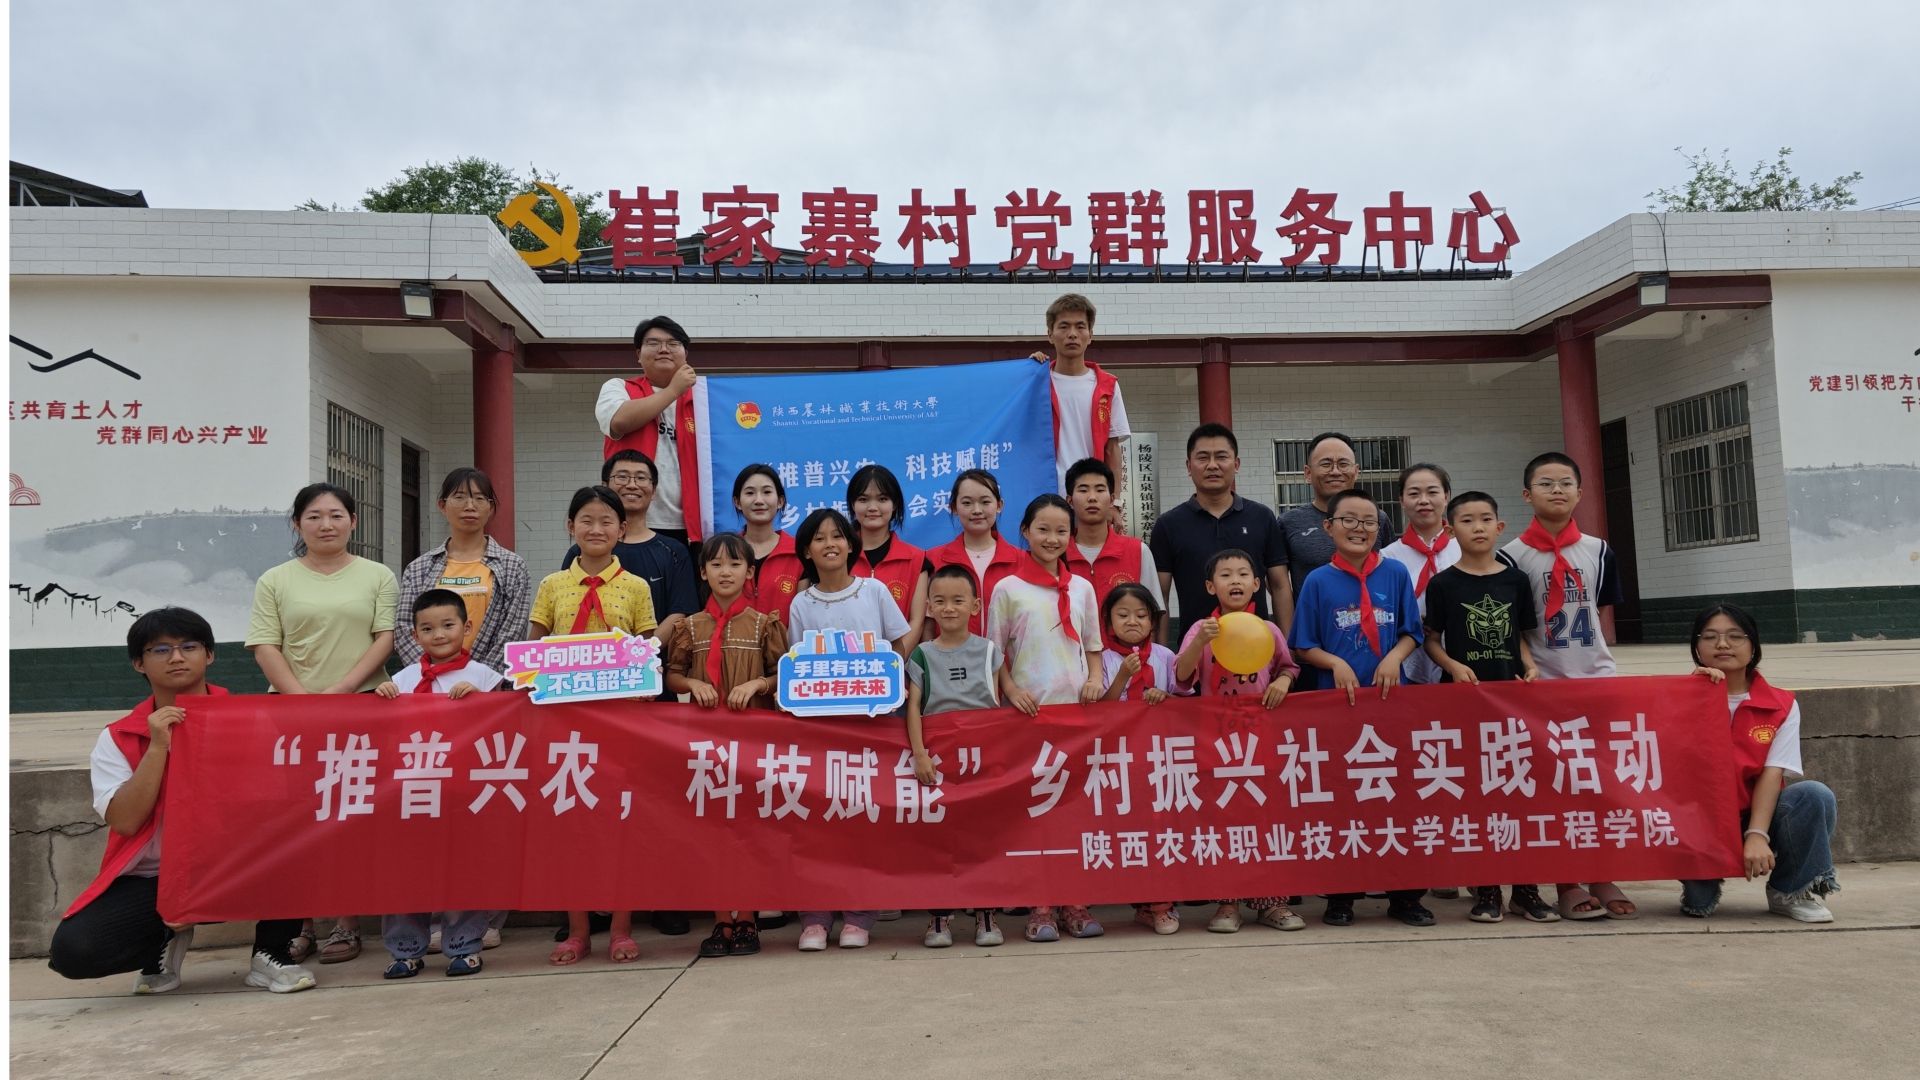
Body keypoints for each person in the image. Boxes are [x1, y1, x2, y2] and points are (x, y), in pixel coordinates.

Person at [47, 608, 318, 995]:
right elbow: (125, 821)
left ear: (209, 655)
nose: (176, 657)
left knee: (301, 838)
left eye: (188, 647)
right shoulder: (119, 737)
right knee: (75, 952)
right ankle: (165, 938)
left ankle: (271, 953)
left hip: (234, 864)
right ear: (139, 663)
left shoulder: (250, 719)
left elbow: (278, 808)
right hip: (155, 877)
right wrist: (158, 747)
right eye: (160, 650)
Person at [246, 481, 397, 964]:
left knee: (349, 819)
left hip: (363, 710)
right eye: (313, 516)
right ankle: (300, 925)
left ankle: (346, 924)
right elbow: (265, 644)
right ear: (297, 524)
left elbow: (385, 638)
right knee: (299, 820)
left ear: (353, 521)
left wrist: (343, 691)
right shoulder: (275, 580)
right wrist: (301, 699)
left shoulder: (377, 575)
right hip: (294, 716)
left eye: (335, 515)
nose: (325, 525)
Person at [1500, 451, 1634, 922]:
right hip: (1543, 686)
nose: (1556, 490)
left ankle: (1602, 873)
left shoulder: (1599, 550)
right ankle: (1567, 881)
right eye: (1545, 483)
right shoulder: (1510, 556)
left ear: (1580, 493)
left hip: (1596, 682)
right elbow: (1514, 625)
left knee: (1600, 785)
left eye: (1565, 483)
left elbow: (1598, 610)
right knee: (1555, 789)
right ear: (1527, 494)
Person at [1288, 488, 1431, 928]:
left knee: (1397, 799)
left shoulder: (1394, 574)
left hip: (1389, 706)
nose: (1359, 529)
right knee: (1343, 802)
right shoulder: (1317, 581)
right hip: (1339, 709)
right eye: (1348, 520)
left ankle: (1405, 896)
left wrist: (1394, 657)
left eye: (1368, 521)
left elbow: (1412, 632)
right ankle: (1341, 895)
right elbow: (1303, 644)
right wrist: (1334, 663)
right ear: (1328, 527)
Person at [534, 486, 659, 966]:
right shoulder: (552, 585)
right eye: (586, 520)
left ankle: (621, 930)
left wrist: (645, 681)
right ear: (570, 527)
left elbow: (649, 650)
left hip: (622, 724)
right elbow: (534, 650)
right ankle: (579, 931)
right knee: (572, 828)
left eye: (607, 521)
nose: (596, 529)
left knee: (621, 825)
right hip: (566, 726)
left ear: (622, 529)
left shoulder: (636, 587)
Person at [1419, 492, 1557, 924]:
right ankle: (1487, 889)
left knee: (1519, 795)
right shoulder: (1443, 584)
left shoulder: (1515, 580)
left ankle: (1526, 891)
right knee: (1478, 798)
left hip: (1511, 704)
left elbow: (1520, 637)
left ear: (1499, 527)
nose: (1477, 527)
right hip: (1463, 705)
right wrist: (1453, 666)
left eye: (1485, 519)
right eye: (1466, 520)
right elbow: (1431, 640)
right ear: (1450, 530)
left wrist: (1529, 666)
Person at [785, 508, 911, 950]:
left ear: (851, 544)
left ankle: (860, 915)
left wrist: (885, 689)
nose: (830, 544)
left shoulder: (874, 590)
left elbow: (899, 648)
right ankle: (815, 918)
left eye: (837, 536)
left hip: (873, 727)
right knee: (819, 822)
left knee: (865, 819)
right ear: (806, 551)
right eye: (819, 538)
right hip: (822, 731)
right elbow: (798, 666)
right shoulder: (801, 604)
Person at [665, 533, 791, 959]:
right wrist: (692, 683)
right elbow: (671, 675)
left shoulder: (764, 624)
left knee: (750, 831)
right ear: (703, 572)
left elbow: (783, 673)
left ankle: (749, 919)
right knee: (712, 832)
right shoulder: (689, 627)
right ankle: (722, 918)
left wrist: (757, 684)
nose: (725, 572)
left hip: (753, 746)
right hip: (705, 747)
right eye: (716, 564)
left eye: (735, 564)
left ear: (750, 572)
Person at [988, 494, 1104, 943]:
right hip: (1028, 715)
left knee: (1073, 813)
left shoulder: (1082, 589)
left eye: (1061, 531)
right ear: (1024, 531)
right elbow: (995, 652)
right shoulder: (1008, 588)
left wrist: (1093, 679)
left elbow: (1092, 645)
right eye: (1043, 529)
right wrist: (1012, 690)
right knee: (1035, 814)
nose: (1052, 538)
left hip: (1075, 715)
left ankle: (1075, 902)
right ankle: (1039, 906)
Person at [1172, 549, 1306, 934]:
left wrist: (1283, 681)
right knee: (1223, 822)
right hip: (1216, 743)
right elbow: (1181, 678)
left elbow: (1288, 666)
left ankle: (1272, 903)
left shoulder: (1268, 630)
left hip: (1259, 741)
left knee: (1265, 821)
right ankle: (1227, 902)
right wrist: (1200, 643)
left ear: (1256, 584)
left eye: (1243, 574)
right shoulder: (1201, 630)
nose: (1235, 580)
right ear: (1210, 586)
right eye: (1226, 575)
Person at [373, 589, 505, 977]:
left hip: (463, 792)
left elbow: (502, 727)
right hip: (413, 793)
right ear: (415, 635)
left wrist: (482, 700)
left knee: (463, 870)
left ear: (467, 627)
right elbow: (386, 733)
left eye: (448, 625)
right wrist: (382, 699)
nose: (439, 635)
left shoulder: (484, 676)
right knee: (406, 871)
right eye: (428, 629)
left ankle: (464, 945)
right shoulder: (402, 679)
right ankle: (405, 949)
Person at [1684, 603, 1839, 923]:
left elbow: (1772, 773)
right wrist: (1690, 695)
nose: (1722, 644)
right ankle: (1701, 881)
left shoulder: (1781, 704)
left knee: (1814, 796)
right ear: (1697, 647)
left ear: (1753, 645)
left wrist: (1756, 834)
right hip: (1699, 821)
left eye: (1734, 636)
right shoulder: (1676, 698)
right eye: (1710, 637)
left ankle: (1789, 890)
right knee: (1699, 904)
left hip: (1755, 814)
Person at [904, 564, 1006, 949]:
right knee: (940, 840)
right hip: (940, 762)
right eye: (940, 601)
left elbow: (1005, 697)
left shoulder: (989, 651)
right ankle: (939, 916)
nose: (949, 608)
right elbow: (914, 707)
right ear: (928, 607)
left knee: (983, 839)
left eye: (958, 601)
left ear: (975, 606)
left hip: (983, 761)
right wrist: (920, 754)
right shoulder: (922, 654)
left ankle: (986, 913)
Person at [1095, 582, 1184, 936]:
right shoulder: (1101, 659)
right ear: (1108, 621)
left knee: (1159, 829)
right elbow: (1099, 710)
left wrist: (1164, 697)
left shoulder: (1165, 656)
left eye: (1141, 615)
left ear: (1153, 621)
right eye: (1123, 615)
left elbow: (1186, 704)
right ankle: (1137, 902)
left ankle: (1161, 904)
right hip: (1117, 762)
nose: (1132, 621)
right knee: (1125, 832)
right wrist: (1122, 677)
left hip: (1159, 760)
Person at [1149, 424, 1291, 644]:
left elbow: (1280, 586)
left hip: (1257, 648)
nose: (1212, 465)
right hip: (1196, 652)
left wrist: (1288, 646)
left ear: (1236, 464)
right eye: (1203, 457)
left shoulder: (1262, 517)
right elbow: (1160, 597)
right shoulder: (1169, 524)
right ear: (1189, 466)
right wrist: (1160, 654)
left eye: (1221, 457)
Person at [398, 467, 532, 679]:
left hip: (488, 686)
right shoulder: (419, 568)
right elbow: (405, 628)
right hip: (431, 683)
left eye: (479, 498)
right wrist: (436, 675)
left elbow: (513, 632)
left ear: (490, 507)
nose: (470, 506)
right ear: (442, 505)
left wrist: (479, 679)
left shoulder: (512, 566)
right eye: (459, 497)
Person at [561, 450, 697, 653]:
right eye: (622, 477)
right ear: (605, 485)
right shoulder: (581, 550)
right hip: (588, 663)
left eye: (641, 478)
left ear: (654, 490)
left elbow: (681, 612)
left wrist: (639, 654)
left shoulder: (674, 551)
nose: (632, 485)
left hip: (651, 665)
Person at [595, 315, 702, 545]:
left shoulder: (703, 399)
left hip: (692, 526)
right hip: (628, 522)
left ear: (685, 353)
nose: (664, 349)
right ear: (638, 354)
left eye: (673, 343)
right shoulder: (619, 387)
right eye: (653, 343)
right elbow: (620, 421)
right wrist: (674, 390)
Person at [1034, 293, 1131, 495]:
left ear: (1090, 334)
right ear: (1050, 334)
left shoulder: (1108, 386)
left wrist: (1115, 500)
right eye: (1064, 326)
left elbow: (1112, 449)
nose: (1072, 334)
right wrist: (1026, 371)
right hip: (1045, 497)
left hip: (1091, 498)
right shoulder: (1036, 382)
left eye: (1080, 326)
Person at [1278, 432, 1387, 605]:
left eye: (1343, 464)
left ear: (1356, 471)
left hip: (1373, 618)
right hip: (1313, 620)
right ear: (1308, 473)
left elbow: (1388, 572)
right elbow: (1278, 585)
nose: (1335, 472)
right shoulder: (1288, 522)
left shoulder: (1377, 519)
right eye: (1326, 464)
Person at [1380, 463, 1458, 687]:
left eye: (1432, 492)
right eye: (1414, 494)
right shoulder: (1387, 557)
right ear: (1402, 501)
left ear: (1446, 497)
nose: (1423, 500)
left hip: (1462, 660)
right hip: (1405, 665)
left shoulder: (1466, 550)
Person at [925, 468, 1022, 636]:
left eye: (985, 502)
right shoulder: (933, 559)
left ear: (999, 505)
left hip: (1006, 654)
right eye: (967, 503)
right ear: (954, 508)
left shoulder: (1022, 560)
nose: (977, 510)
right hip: (950, 653)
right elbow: (927, 623)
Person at [846, 464, 931, 654]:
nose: (872, 507)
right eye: (863, 499)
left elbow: (916, 622)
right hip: (846, 666)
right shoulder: (839, 556)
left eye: (882, 499)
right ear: (852, 505)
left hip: (897, 667)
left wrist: (891, 662)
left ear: (895, 505)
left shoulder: (916, 559)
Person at [1064, 457, 1164, 615]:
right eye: (1083, 490)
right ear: (1070, 501)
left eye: (1100, 490)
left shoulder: (1138, 551)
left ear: (1111, 499)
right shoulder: (1058, 554)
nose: (1092, 497)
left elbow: (1155, 612)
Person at [734, 463, 804, 625]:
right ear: (737, 502)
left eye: (767, 492)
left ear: (780, 501)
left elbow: (804, 615)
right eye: (750, 493)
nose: (759, 500)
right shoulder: (725, 553)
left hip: (786, 641)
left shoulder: (799, 553)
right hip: (734, 641)